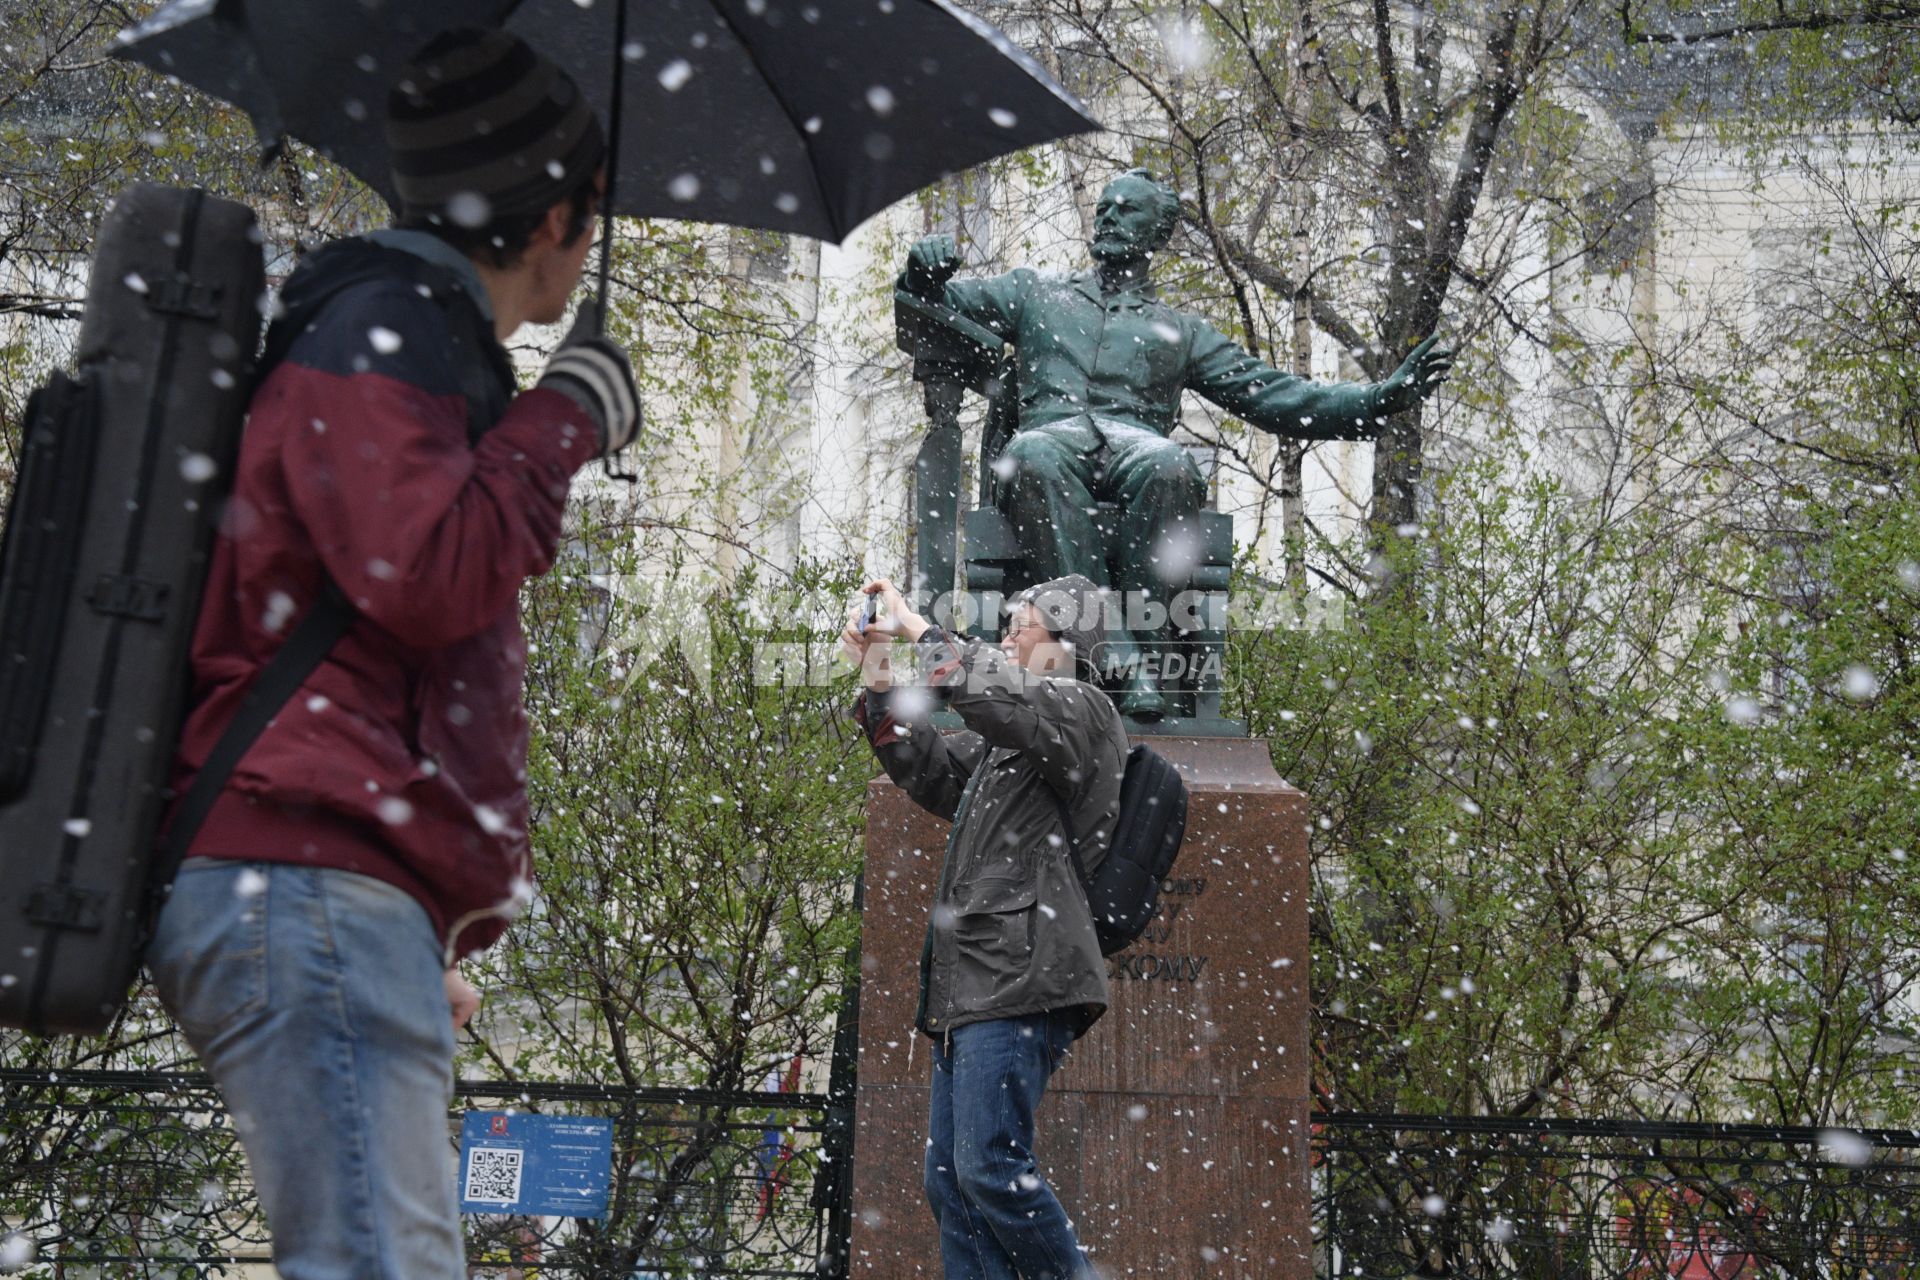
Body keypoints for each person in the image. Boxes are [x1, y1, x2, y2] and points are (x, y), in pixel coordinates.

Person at [146, 29, 638, 1280]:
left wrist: (414, 922)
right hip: (306, 875)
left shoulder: (391, 329)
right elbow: (425, 573)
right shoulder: (385, 325)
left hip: (326, 885)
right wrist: (567, 413)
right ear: (559, 218)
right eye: (594, 210)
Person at [899, 168, 1453, 719]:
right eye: (1105, 207)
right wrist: (923, 271)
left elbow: (1281, 398)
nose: (1109, 216)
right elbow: (936, 307)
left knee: (1170, 465)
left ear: (1159, 234)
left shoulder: (1181, 330)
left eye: (1127, 209)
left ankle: (1148, 652)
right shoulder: (1034, 293)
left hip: (1136, 447)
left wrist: (1379, 400)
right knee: (1034, 455)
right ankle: (1118, 656)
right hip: (1049, 439)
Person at [843, 574, 1126, 1280]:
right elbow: (926, 764)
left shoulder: (1081, 710)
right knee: (957, 1184)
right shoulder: (1010, 748)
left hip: (1020, 978)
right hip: (975, 983)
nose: (1005, 638)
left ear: (1066, 644)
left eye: (1020, 626)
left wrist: (916, 626)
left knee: (991, 1169)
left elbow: (994, 689)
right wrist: (879, 668)